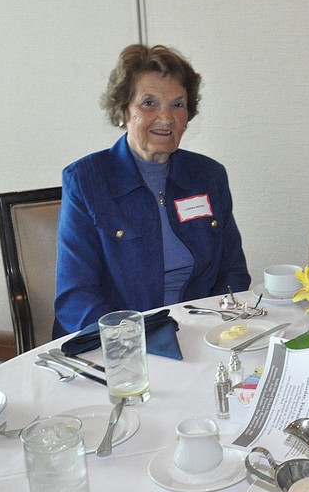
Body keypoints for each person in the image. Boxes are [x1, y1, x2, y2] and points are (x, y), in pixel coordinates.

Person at [54, 44, 250, 336]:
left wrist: (214, 327)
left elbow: (232, 272)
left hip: (198, 334)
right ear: (123, 110)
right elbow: (76, 298)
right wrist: (137, 340)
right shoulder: (87, 180)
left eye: (177, 104)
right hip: (116, 343)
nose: (166, 117)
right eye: (149, 103)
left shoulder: (209, 176)